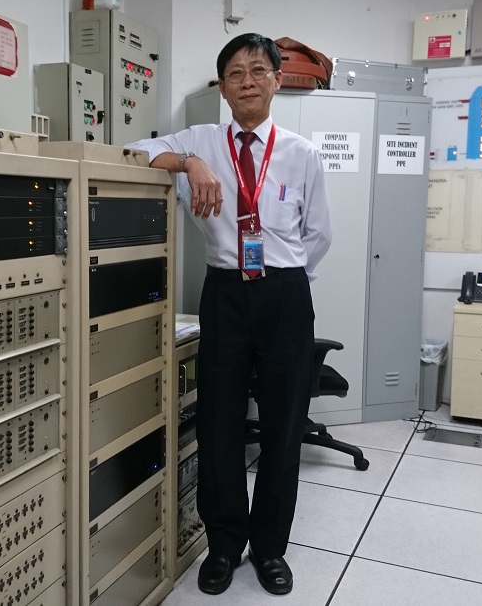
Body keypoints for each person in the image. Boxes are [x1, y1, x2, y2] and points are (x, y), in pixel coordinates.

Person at [126, 33, 331, 596]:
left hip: (285, 296)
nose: (247, 81)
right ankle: (223, 544)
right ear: (222, 85)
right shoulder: (202, 140)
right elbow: (136, 151)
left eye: (258, 71)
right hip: (224, 294)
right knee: (218, 422)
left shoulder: (301, 153)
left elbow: (318, 236)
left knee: (283, 427)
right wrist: (191, 163)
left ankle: (269, 549)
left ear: (276, 80)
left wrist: (282, 281)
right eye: (235, 72)